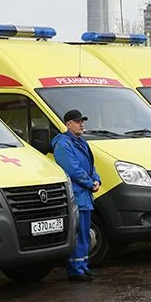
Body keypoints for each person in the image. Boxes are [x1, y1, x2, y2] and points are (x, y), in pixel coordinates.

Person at [52, 109, 101, 281]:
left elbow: (91, 166)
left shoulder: (81, 142)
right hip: (76, 196)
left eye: (82, 121)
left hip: (85, 196)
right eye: (78, 121)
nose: (81, 124)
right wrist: (90, 183)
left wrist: (97, 179)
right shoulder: (63, 144)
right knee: (78, 233)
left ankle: (83, 267)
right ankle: (76, 270)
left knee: (85, 233)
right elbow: (73, 169)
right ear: (68, 124)